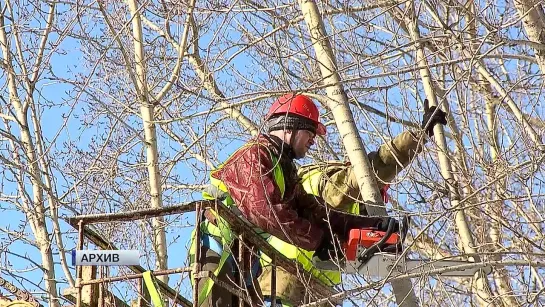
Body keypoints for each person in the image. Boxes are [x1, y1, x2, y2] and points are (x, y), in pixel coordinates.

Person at [189, 93, 395, 307]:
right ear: (289, 127)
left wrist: (370, 226)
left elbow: (315, 213)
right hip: (215, 251)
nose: (313, 141)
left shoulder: (283, 169)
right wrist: (319, 241)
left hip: (244, 257)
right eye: (310, 133)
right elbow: (268, 213)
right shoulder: (253, 157)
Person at [258, 99, 448, 306]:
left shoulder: (306, 185)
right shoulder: (332, 183)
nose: (312, 141)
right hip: (289, 280)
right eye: (310, 134)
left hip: (310, 289)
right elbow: (376, 167)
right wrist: (417, 138)